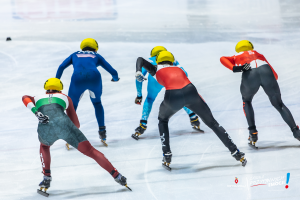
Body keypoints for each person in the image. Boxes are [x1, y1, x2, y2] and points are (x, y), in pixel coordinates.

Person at [135, 51, 247, 170]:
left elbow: (140, 59)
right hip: (191, 92)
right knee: (213, 123)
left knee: (163, 120)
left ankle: (166, 154)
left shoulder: (155, 68)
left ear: (158, 61)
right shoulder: (179, 68)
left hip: (173, 96)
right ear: (172, 61)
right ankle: (236, 152)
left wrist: (137, 71)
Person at [22, 78, 129, 197]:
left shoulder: (37, 97)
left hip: (45, 126)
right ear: (60, 89)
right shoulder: (65, 97)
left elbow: (24, 97)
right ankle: (117, 175)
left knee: (44, 147)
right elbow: (76, 124)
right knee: (91, 151)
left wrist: (36, 112)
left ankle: (46, 177)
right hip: (65, 126)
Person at [220, 40, 300, 149]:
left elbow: (222, 59)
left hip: (250, 73)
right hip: (266, 71)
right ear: (251, 47)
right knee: (279, 105)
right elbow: (275, 75)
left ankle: (253, 132)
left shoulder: (236, 55)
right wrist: (269, 82)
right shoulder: (259, 54)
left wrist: (236, 68)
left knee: (247, 101)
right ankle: (296, 131)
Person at [56, 38, 119, 146]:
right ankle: (102, 132)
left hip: (77, 79)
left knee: (72, 105)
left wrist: (57, 82)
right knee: (97, 103)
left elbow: (61, 66)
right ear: (95, 48)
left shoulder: (74, 54)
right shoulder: (96, 56)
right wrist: (115, 78)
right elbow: (113, 71)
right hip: (94, 78)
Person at [132, 46, 203, 140]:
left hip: (155, 79)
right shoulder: (172, 59)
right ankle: (193, 117)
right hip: (171, 77)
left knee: (149, 99)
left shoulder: (150, 60)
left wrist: (139, 95)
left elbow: (138, 79)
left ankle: (142, 125)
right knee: (179, 95)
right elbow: (185, 73)